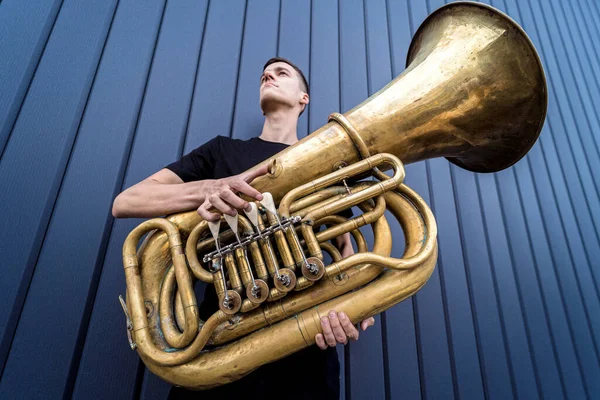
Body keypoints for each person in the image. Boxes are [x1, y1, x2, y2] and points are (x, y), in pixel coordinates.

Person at [112, 57, 375, 399]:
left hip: (306, 344)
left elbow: (346, 255)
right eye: (265, 73)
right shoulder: (223, 150)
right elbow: (126, 201)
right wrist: (206, 188)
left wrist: (350, 309)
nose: (269, 75)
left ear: (303, 98)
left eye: (283, 73)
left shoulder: (325, 158)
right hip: (220, 337)